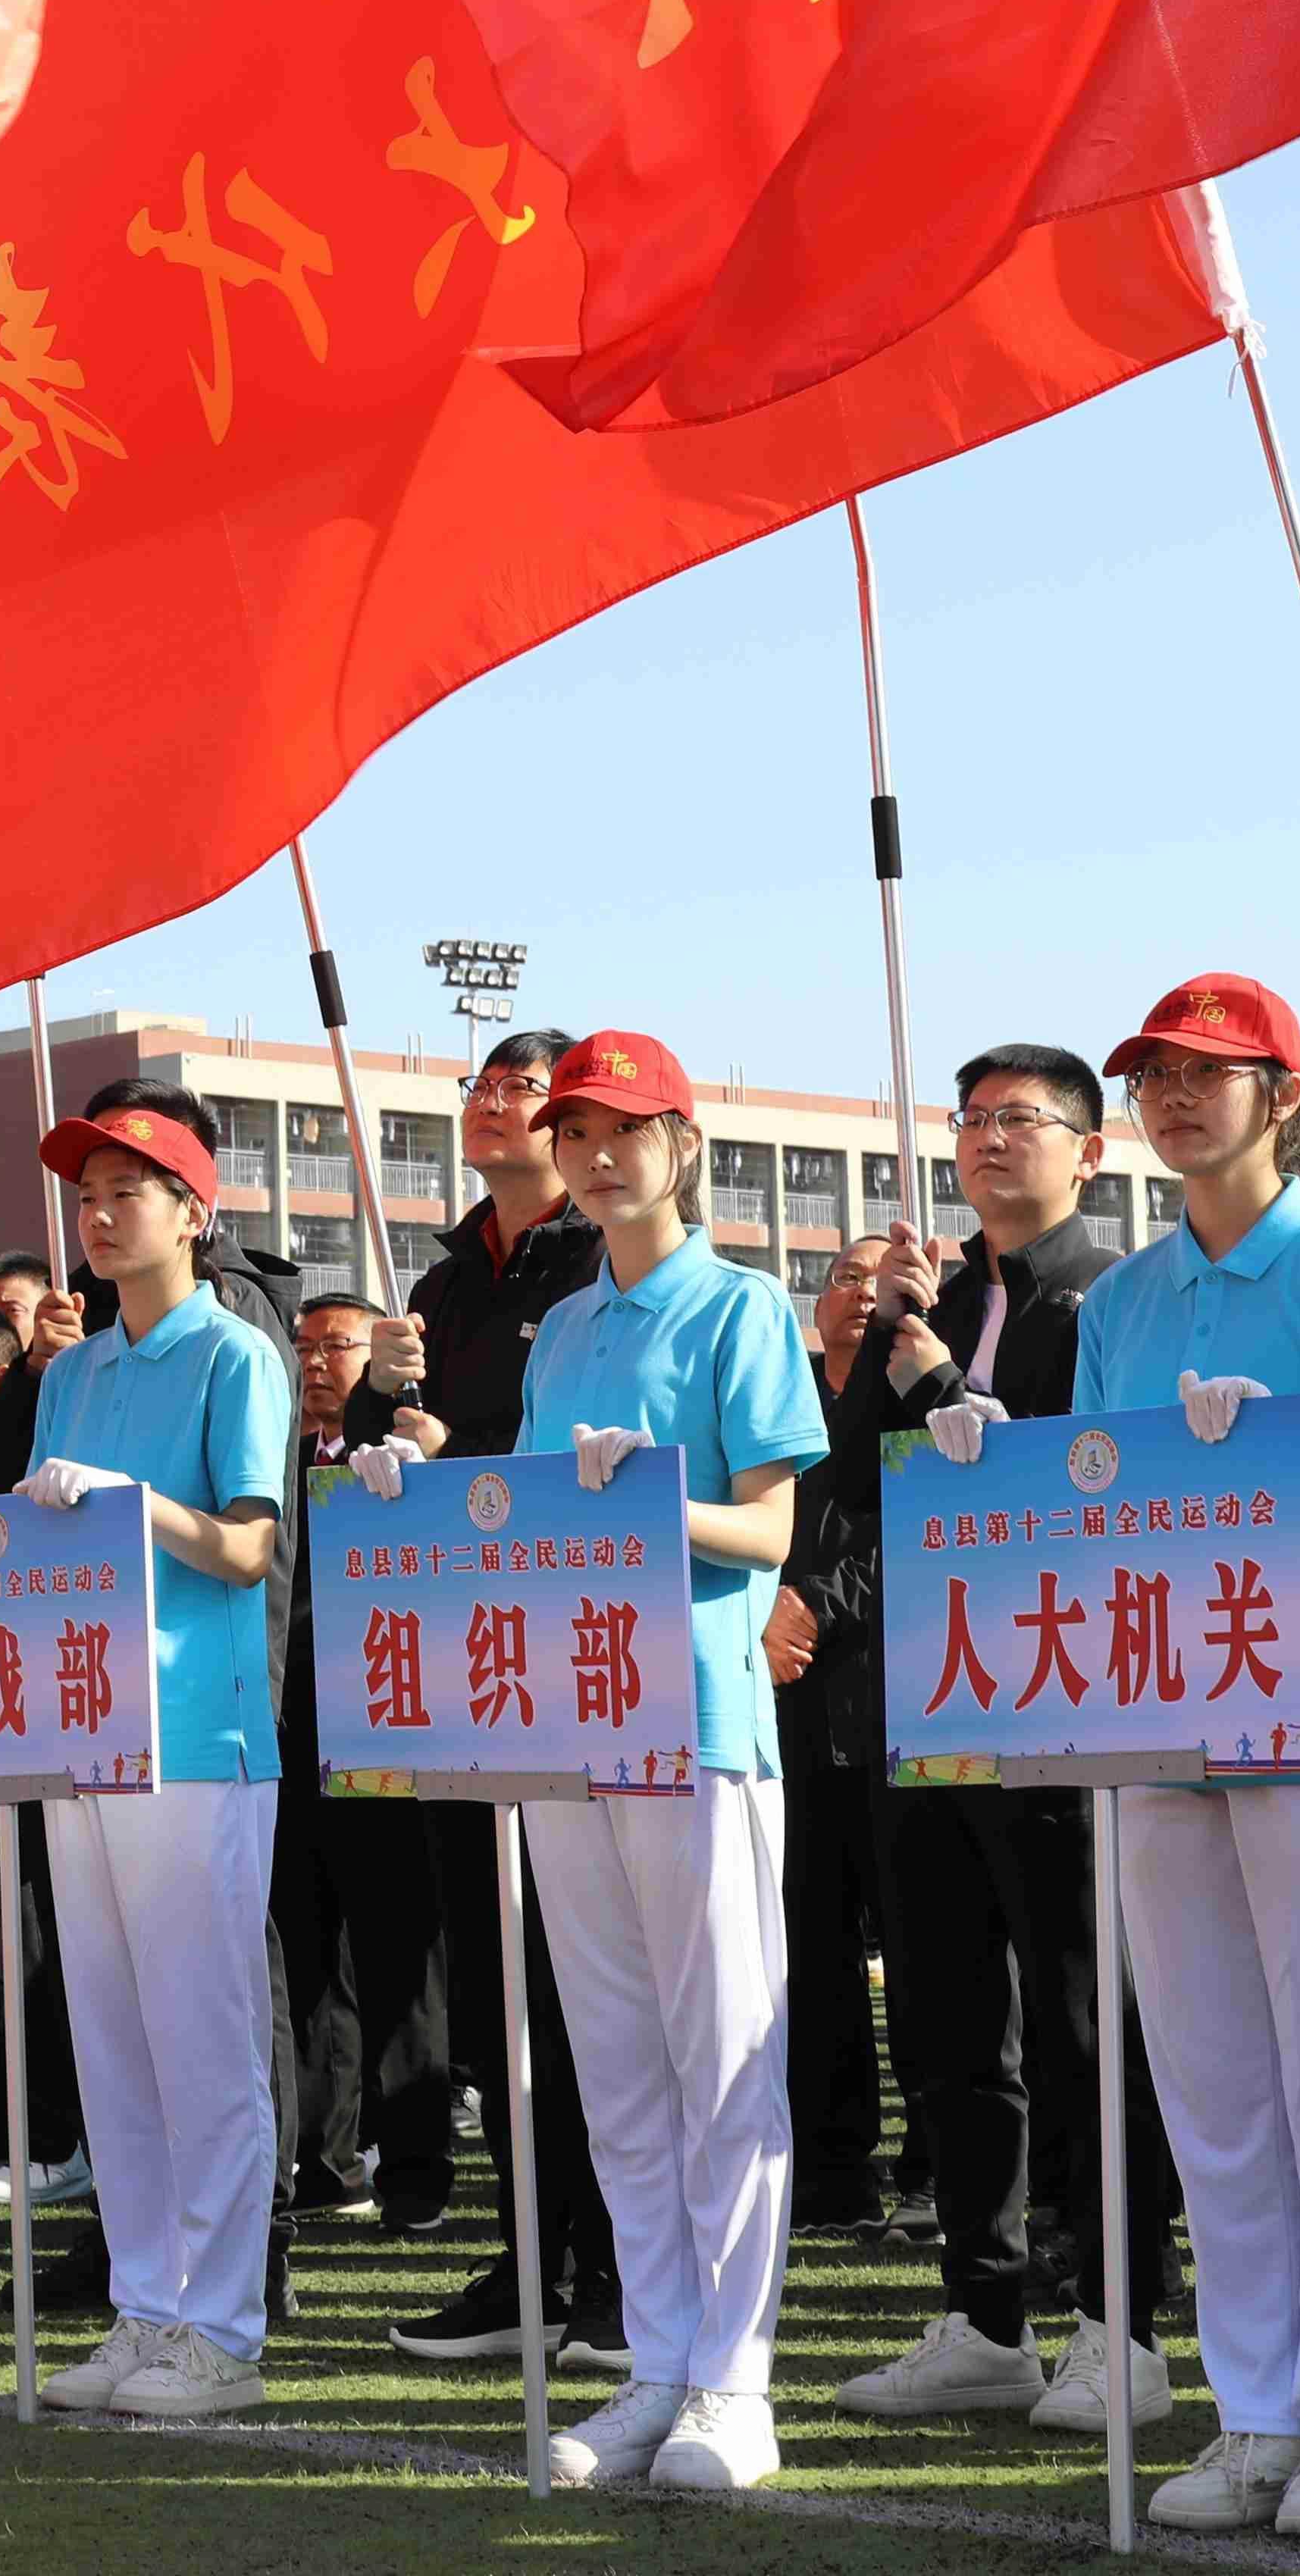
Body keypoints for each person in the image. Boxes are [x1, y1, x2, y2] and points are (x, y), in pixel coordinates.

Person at [348, 1028, 821, 2492]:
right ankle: (658, 2363)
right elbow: (535, 1522)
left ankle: (736, 2386)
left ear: (686, 1146)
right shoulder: (560, 1333)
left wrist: (653, 1507)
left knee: (722, 2057)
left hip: (702, 1724)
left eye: (629, 1128)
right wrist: (417, 1488)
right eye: (580, 1131)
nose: (601, 1153)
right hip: (571, 1726)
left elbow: (771, 1530)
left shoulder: (741, 1307)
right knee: (615, 2065)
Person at [1011, 975, 1300, 2542]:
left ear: (1283, 1094)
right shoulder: (1119, 1302)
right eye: (1158, 1074)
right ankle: (1257, 2405)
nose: (1178, 1097)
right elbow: (1096, 1500)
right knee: (1211, 2089)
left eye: (1214, 1071)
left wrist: (1265, 1456)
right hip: (1154, 1712)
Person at [0, 1105, 290, 2417]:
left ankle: (223, 2331)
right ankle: (146, 2307)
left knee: (202, 2035)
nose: (105, 1208)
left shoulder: (235, 1355)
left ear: (196, 1211)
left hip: (200, 1731)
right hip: (88, 1728)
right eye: (91, 1190)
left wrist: (136, 1507)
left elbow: (247, 1546)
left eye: (136, 1187)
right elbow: (52, 1534)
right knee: (116, 2040)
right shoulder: (70, 1372)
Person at [829, 1044, 1180, 2439]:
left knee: (1088, 2019)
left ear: (1087, 1152)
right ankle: (982, 2310)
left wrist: (930, 1391)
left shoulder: (1112, 1297)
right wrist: (893, 1349)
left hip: (1068, 1691)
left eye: (1020, 1121)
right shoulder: (938, 1291)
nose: (987, 1141)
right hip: (932, 1690)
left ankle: (1121, 2320)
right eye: (971, 1120)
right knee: (950, 2024)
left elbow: (1095, 1481)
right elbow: (857, 1484)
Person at [339, 1026, 625, 2366]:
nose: (494, 1105)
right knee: (498, 1982)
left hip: (580, 1664)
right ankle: (530, 2262)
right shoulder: (446, 1283)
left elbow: (586, 1459)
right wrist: (377, 1410)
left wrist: (466, 1444)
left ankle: (614, 2280)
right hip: (460, 1668)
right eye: (484, 1087)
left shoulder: (602, 1263)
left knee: (589, 1988)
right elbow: (379, 1479)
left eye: (526, 1091)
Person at [274, 1289, 450, 2230]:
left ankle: (416, 2165)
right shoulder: (280, 1459)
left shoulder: (409, 1449)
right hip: (289, 1724)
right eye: (301, 1344)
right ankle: (321, 2156)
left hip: (385, 1720)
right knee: (302, 1953)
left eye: (334, 1344)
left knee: (396, 1953)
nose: (312, 1360)